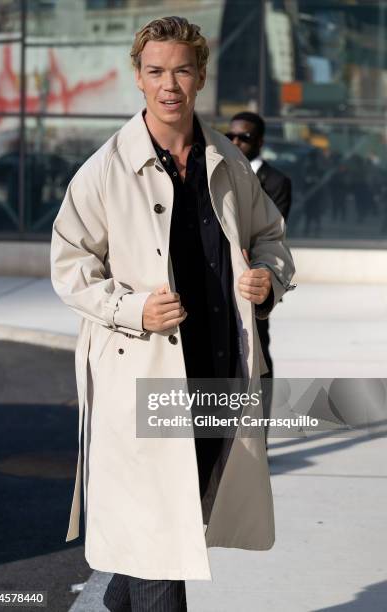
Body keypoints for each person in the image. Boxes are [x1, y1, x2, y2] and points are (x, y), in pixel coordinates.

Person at [50, 16, 295, 612]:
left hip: (219, 373)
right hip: (147, 379)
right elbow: (69, 266)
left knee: (176, 520)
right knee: (163, 540)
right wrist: (133, 308)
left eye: (181, 70)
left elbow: (271, 238)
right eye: (156, 71)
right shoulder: (105, 170)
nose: (169, 85)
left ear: (201, 76)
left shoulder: (228, 164)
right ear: (138, 78)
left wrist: (269, 278)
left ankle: (118, 603)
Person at [227, 112, 292, 443]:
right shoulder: (217, 174)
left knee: (258, 359)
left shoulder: (277, 182)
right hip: (221, 285)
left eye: (244, 137)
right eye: (232, 135)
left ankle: (259, 438)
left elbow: (269, 237)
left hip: (254, 286)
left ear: (260, 142)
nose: (236, 142)